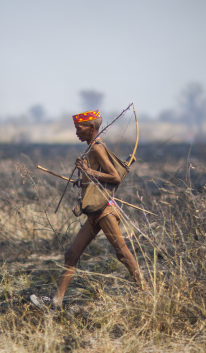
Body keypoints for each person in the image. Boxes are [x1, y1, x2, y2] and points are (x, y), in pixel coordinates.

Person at [48, 110, 146, 307]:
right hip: (95, 212)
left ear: (91, 127)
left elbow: (115, 177)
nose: (76, 132)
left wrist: (87, 171)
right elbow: (95, 177)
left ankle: (147, 292)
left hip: (105, 212)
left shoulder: (97, 149)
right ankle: (56, 302)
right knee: (71, 255)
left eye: (79, 128)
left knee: (122, 252)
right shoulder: (91, 148)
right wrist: (82, 181)